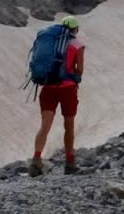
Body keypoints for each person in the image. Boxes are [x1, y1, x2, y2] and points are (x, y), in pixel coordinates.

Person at [29, 15, 85, 176]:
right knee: (69, 125)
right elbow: (80, 70)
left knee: (45, 126)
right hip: (67, 89)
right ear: (75, 29)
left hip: (48, 88)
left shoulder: (50, 41)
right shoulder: (77, 45)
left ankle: (36, 160)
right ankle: (69, 162)